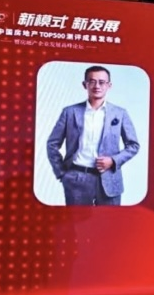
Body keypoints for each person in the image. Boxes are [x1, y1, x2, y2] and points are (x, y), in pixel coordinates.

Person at [46, 65, 140, 206]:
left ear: (109, 85)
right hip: (77, 179)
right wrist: (61, 173)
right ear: (85, 84)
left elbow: (133, 145)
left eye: (102, 82)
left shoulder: (120, 113)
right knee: (78, 221)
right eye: (92, 81)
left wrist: (113, 160)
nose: (97, 86)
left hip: (110, 179)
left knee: (109, 220)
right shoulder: (69, 112)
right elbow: (52, 144)